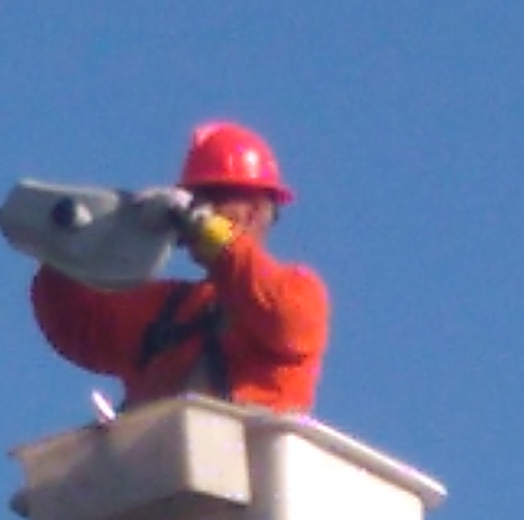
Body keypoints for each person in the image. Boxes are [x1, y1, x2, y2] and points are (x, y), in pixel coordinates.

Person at [30, 121, 329, 414]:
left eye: (213, 197)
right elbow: (77, 323)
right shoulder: (168, 305)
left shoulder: (298, 289)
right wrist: (75, 243)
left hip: (249, 445)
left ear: (255, 211)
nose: (201, 207)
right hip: (163, 446)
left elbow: (284, 321)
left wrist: (204, 226)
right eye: (196, 199)